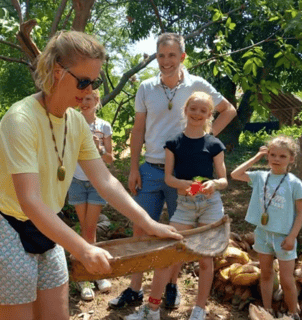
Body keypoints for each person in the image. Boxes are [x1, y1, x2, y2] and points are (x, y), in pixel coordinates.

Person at [0, 30, 183, 320]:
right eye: (83, 81)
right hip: (8, 228)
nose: (88, 91)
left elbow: (105, 181)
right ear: (58, 72)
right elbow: (29, 201)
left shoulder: (76, 122)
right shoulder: (20, 120)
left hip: (48, 227)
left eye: (93, 82)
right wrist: (83, 249)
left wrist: (147, 223)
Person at [110, 32, 237, 310]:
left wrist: (203, 140)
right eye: (160, 55)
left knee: (177, 235)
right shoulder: (146, 87)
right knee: (141, 229)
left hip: (182, 177)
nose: (166, 61)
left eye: (171, 55)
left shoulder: (196, 85)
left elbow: (228, 110)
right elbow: (139, 128)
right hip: (151, 170)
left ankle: (171, 287)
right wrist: (133, 167)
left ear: (182, 56)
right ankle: (134, 289)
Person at [126, 92, 228, 320]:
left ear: (209, 115)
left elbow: (224, 179)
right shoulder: (174, 143)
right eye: (193, 109)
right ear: (186, 110)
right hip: (184, 205)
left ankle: (199, 309)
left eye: (203, 111)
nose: (197, 114)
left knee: (205, 258)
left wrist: (213, 184)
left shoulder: (214, 144)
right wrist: (189, 186)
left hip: (210, 204)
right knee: (167, 254)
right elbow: (169, 179)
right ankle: (151, 309)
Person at [231, 136, 302, 320]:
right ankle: (267, 309)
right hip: (262, 234)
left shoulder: (294, 183)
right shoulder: (260, 176)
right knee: (266, 274)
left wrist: (292, 236)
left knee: (287, 280)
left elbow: (301, 213)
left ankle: (293, 312)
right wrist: (256, 157)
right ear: (267, 156)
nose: (276, 159)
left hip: (284, 237)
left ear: (291, 159)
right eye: (272, 155)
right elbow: (235, 174)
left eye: (282, 156)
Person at [68, 89, 114, 300]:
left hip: (97, 183)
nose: (85, 103)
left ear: (97, 102)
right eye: (82, 99)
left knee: (90, 229)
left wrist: (100, 149)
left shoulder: (104, 126)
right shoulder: (71, 122)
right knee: (86, 229)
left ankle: (90, 274)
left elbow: (110, 159)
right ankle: (87, 276)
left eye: (89, 99)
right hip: (77, 182)